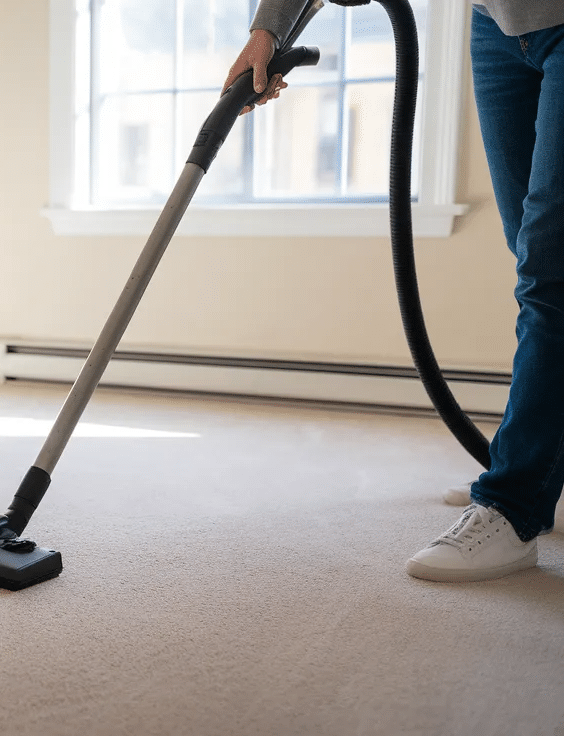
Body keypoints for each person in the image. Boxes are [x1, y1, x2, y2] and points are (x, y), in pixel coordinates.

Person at [224, 0, 564, 582]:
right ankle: (538, 464)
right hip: (497, 23)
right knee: (534, 259)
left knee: (550, 271)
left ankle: (515, 502)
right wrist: (267, 31)